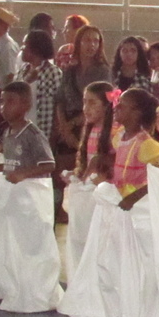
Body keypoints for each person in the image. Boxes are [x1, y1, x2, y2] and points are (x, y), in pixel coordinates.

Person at [55, 25, 111, 192]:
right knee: (64, 175)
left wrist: (72, 125)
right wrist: (64, 126)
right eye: (87, 40)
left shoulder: (103, 71)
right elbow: (59, 99)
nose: (91, 45)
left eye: (95, 41)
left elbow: (101, 103)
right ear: (78, 43)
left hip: (89, 123)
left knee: (85, 169)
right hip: (66, 125)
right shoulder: (69, 70)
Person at [0, 82, 55, 185]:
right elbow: (12, 166)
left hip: (31, 191)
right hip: (14, 191)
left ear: (26, 105)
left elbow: (49, 165)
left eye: (10, 101)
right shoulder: (7, 133)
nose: (4, 107)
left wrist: (23, 174)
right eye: (2, 102)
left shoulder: (33, 134)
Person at [110, 88, 159, 210]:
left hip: (138, 205)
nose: (116, 107)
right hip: (122, 200)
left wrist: (134, 197)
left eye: (122, 105)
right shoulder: (119, 136)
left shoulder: (146, 145)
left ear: (136, 113)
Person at [15, 30, 61, 142]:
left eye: (25, 45)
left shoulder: (53, 72)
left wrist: (55, 133)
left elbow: (59, 104)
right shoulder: (22, 71)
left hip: (43, 132)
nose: (22, 48)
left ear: (35, 49)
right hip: (21, 132)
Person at [75, 81, 118, 182]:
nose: (86, 108)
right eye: (84, 102)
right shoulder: (91, 128)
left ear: (106, 106)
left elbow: (120, 160)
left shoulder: (116, 130)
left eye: (92, 103)